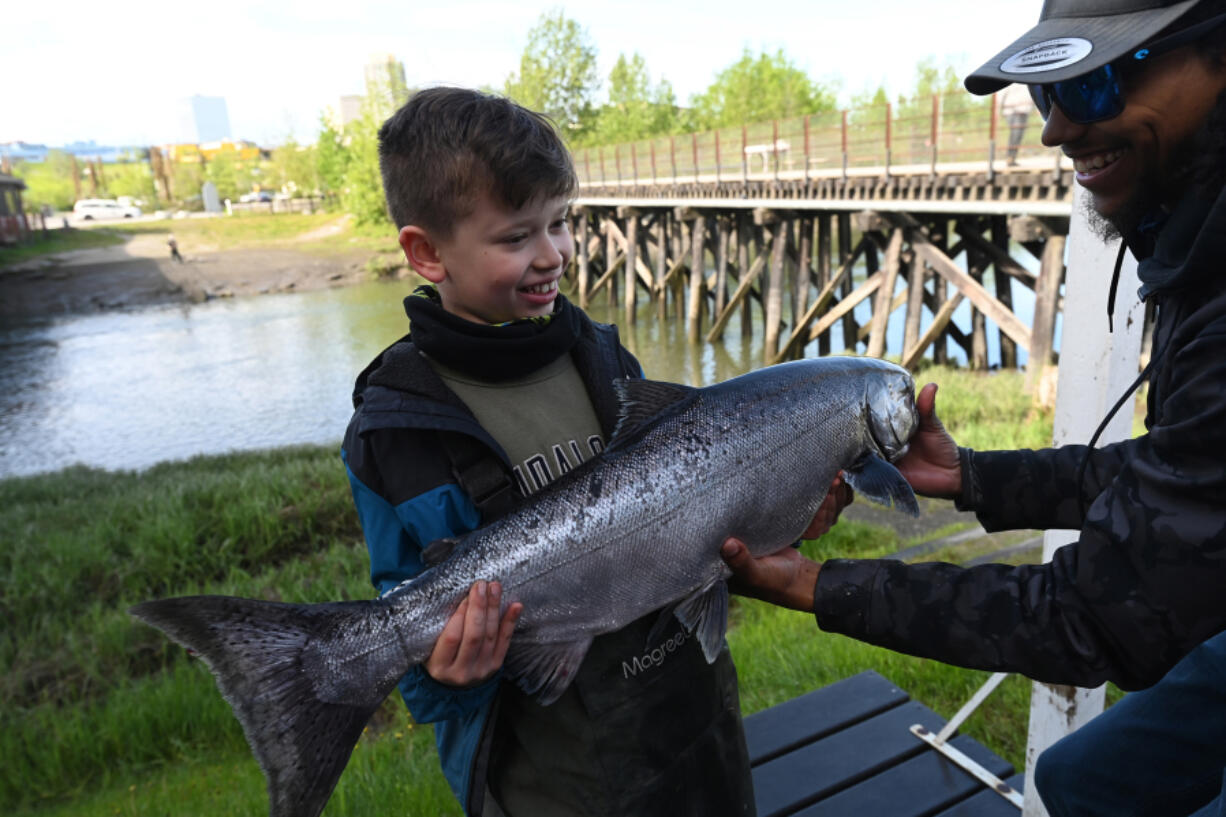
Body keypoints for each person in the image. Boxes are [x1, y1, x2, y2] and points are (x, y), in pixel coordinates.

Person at [721, 2, 1226, 816]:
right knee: (1072, 781)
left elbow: (1096, 616)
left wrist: (821, 586)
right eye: (1044, 94)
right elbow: (1187, 482)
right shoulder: (1195, 231)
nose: (1056, 131)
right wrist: (972, 476)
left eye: (1091, 84)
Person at [340, 87, 757, 817]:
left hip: (699, 743)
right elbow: (402, 626)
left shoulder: (606, 360)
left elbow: (696, 533)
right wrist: (444, 674)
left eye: (561, 222)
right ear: (426, 252)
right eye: (515, 237)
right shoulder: (394, 432)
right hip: (550, 784)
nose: (554, 254)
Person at [998, 82, 1032, 165]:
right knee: (1015, 133)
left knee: (1019, 135)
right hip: (1013, 111)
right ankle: (1010, 157)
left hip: (1024, 110)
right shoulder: (1010, 78)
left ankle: (1012, 158)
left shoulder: (1028, 79)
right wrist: (998, 110)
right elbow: (1001, 94)